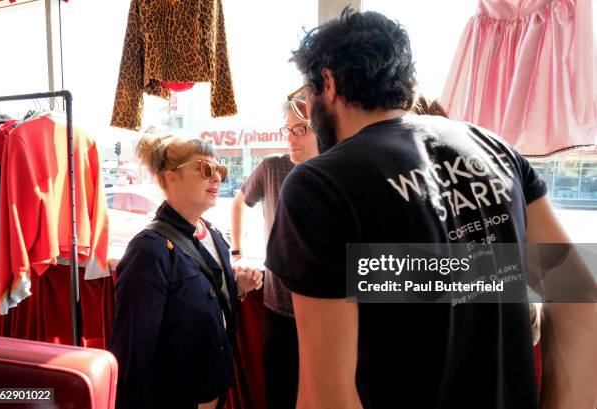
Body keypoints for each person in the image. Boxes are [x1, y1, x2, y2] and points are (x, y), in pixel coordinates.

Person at [265, 7, 596, 409]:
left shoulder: (320, 183)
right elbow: (576, 296)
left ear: (329, 83)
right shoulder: (494, 149)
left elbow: (326, 395)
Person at [110, 134, 262, 409]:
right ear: (169, 179)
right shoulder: (148, 250)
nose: (216, 178)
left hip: (213, 384)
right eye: (204, 169)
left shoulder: (213, 234)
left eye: (219, 170)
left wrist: (236, 285)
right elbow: (134, 353)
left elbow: (199, 297)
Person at [230, 102, 319, 409]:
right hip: (279, 306)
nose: (292, 137)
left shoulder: (338, 173)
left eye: (301, 129)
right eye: (288, 130)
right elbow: (239, 202)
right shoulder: (273, 167)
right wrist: (238, 252)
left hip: (325, 310)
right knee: (280, 393)